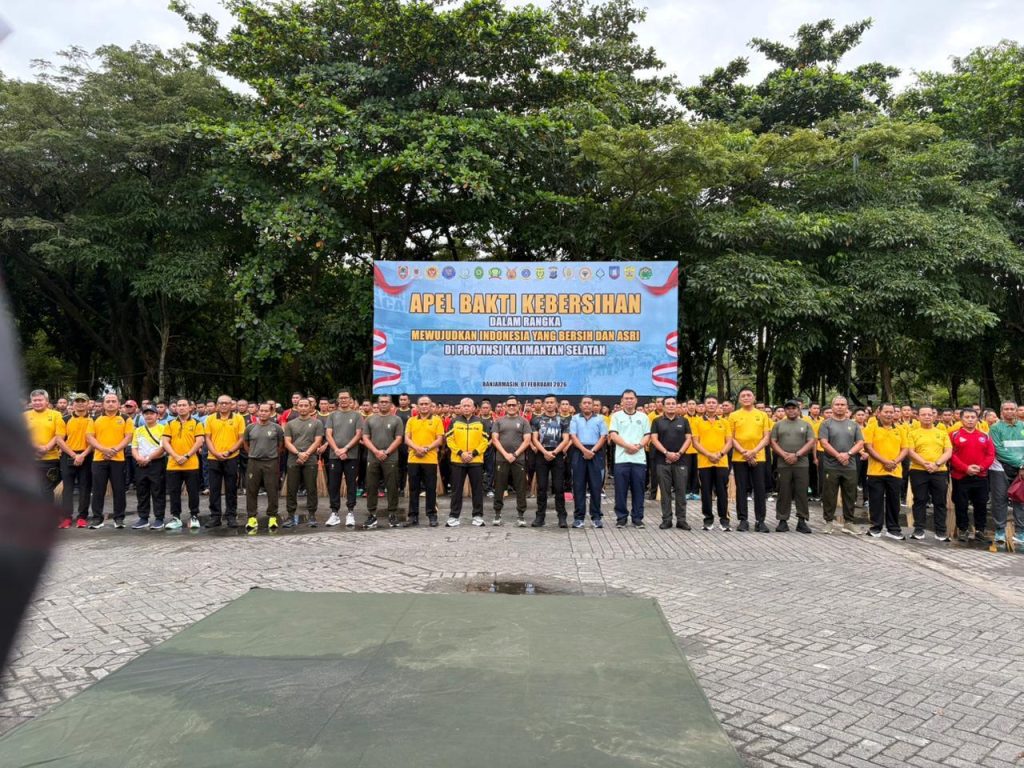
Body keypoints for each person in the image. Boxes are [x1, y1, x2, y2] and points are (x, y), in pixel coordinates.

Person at [85, 393, 133, 529]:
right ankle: (97, 518)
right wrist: (104, 450)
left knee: (119, 490)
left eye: (113, 401)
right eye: (108, 401)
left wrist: (114, 450)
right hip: (99, 459)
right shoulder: (94, 419)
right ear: (103, 404)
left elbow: (128, 437)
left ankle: (119, 518)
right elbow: (89, 437)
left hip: (118, 459)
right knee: (98, 490)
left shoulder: (125, 418)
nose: (111, 404)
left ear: (118, 404)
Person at [818, 396, 865, 534]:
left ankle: (849, 522)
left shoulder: (853, 424)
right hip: (831, 465)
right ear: (832, 407)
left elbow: (860, 443)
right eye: (837, 404)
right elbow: (824, 443)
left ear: (847, 407)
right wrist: (838, 455)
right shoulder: (826, 424)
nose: (840, 407)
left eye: (842, 404)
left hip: (849, 465)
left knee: (850, 494)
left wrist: (848, 454)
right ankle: (828, 522)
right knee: (829, 494)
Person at [728, 388, 772, 532]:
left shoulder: (762, 415)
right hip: (739, 457)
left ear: (754, 398)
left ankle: (760, 520)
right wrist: (744, 452)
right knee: (741, 489)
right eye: (743, 396)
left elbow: (766, 437)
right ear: (739, 399)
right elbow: (731, 437)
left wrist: (753, 452)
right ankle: (743, 520)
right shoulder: (733, 415)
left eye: (749, 395)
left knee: (759, 489)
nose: (746, 398)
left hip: (759, 456)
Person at [906, 406, 952, 541]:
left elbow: (948, 451)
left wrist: (937, 464)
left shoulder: (942, 433)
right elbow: (910, 451)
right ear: (918, 417)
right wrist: (925, 463)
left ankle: (941, 531)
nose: (927, 417)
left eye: (930, 414)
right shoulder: (912, 433)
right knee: (919, 500)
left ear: (935, 416)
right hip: (918, 470)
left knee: (940, 501)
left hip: (939, 471)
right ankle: (919, 529)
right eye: (923, 414)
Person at [863, 403, 908, 539]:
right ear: (879, 413)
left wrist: (894, 462)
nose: (889, 414)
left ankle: (893, 529)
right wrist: (884, 461)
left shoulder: (900, 429)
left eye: (891, 412)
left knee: (894, 501)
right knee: (876, 500)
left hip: (895, 471)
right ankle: (875, 527)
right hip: (876, 471)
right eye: (886, 412)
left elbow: (905, 449)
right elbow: (868, 447)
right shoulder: (871, 427)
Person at [950, 408, 995, 543]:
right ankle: (963, 529)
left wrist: (981, 467)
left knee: (981, 504)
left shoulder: (985, 436)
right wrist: (965, 468)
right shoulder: (953, 435)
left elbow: (990, 455)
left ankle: (980, 530)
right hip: (960, 476)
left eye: (973, 417)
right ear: (961, 419)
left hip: (981, 476)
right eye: (967, 417)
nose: (970, 420)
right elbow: (950, 454)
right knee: (961, 504)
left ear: (977, 419)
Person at [769, 399, 815, 533]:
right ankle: (782, 520)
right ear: (785, 411)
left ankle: (802, 520)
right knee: (784, 491)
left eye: (794, 408)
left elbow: (811, 441)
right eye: (788, 408)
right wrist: (784, 454)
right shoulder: (778, 425)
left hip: (802, 463)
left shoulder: (806, 425)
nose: (791, 411)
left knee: (802, 492)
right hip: (783, 463)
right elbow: (773, 441)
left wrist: (797, 454)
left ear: (799, 410)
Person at [161, 398, 206, 531]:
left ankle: (194, 516)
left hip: (191, 464)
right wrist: (175, 456)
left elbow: (199, 442)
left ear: (190, 407)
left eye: (184, 405)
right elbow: (165, 442)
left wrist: (186, 456)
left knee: (193, 492)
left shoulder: (197, 423)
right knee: (174, 492)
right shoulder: (170, 423)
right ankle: (176, 517)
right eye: (179, 405)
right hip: (173, 464)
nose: (181, 407)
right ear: (175, 408)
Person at [608, 389, 651, 528]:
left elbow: (647, 435)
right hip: (622, 459)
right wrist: (627, 446)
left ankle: (637, 518)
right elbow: (613, 435)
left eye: (631, 398)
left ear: (636, 400)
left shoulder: (643, 417)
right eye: (626, 398)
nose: (629, 401)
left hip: (639, 459)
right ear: (622, 401)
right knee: (620, 491)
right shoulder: (616, 416)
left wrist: (638, 446)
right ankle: (621, 518)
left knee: (638, 490)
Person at [445, 397, 490, 527]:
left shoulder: (481, 422)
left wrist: (474, 453)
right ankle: (454, 516)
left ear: (474, 408)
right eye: (463, 406)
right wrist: (461, 453)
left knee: (477, 490)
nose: (466, 408)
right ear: (460, 407)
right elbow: (449, 440)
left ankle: (477, 516)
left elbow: (485, 441)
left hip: (476, 461)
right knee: (456, 490)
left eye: (468, 405)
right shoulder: (454, 421)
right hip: (458, 461)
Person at [361, 395, 404, 528]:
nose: (384, 404)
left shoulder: (397, 419)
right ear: (377, 404)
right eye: (381, 402)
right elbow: (365, 438)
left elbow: (399, 439)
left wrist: (386, 452)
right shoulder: (369, 419)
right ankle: (372, 514)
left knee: (392, 486)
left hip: (391, 458)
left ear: (391, 404)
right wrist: (376, 452)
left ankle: (392, 514)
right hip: (373, 457)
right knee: (371, 486)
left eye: (386, 402)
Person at [204, 394, 245, 529]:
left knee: (231, 489)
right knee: (214, 489)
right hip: (213, 458)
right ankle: (215, 516)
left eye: (226, 403)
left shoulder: (238, 418)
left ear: (231, 405)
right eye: (221, 403)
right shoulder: (210, 419)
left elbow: (241, 438)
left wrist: (229, 451)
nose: (223, 405)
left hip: (231, 457)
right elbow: (207, 438)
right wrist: (215, 453)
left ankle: (231, 516)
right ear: (217, 405)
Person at [243, 402, 285, 534]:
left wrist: (272, 455)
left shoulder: (277, 428)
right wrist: (253, 453)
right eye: (261, 410)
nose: (263, 413)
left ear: (271, 412)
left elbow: (281, 445)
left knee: (272, 490)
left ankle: (272, 516)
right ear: (257, 411)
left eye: (266, 411)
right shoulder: (250, 427)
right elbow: (245, 443)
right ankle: (251, 517)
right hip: (253, 462)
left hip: (271, 462)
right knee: (251, 490)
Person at [649, 397, 691, 530]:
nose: (671, 406)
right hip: (662, 461)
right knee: (665, 492)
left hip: (681, 460)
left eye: (673, 403)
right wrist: (666, 453)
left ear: (676, 405)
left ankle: (681, 520)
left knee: (681, 491)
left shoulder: (684, 421)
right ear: (663, 406)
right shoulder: (657, 421)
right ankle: (666, 520)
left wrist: (678, 454)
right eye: (668, 404)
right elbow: (654, 439)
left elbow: (688, 439)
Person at [283, 397, 325, 528]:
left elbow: (318, 441)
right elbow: (287, 442)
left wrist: (306, 454)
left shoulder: (317, 423)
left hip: (310, 459)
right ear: (297, 407)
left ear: (311, 407)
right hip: (293, 459)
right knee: (292, 489)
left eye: (306, 405)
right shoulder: (290, 424)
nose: (303, 408)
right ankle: (290, 516)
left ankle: (312, 515)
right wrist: (298, 453)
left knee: (311, 488)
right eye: (300, 405)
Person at [491, 396, 533, 527]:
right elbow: (495, 439)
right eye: (508, 405)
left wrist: (514, 455)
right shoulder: (498, 421)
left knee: (520, 488)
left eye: (513, 405)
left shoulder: (524, 421)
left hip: (518, 459)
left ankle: (521, 515)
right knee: (499, 487)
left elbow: (527, 440)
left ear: (518, 406)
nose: (511, 407)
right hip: (501, 459)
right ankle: (497, 514)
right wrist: (505, 454)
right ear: (505, 407)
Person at [324, 390, 363, 528]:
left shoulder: (357, 415)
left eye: (346, 398)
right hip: (334, 455)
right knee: (333, 484)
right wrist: (337, 450)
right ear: (338, 400)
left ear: (350, 399)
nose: (343, 400)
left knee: (351, 484)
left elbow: (358, 435)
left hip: (351, 455)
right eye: (341, 398)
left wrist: (345, 449)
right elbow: (328, 434)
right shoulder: (332, 415)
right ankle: (334, 513)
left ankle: (350, 512)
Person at [692, 397, 732, 531]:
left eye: (713, 402)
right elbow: (695, 443)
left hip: (721, 462)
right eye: (708, 402)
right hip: (704, 463)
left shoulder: (725, 422)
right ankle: (708, 520)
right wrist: (709, 455)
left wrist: (720, 454)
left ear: (718, 405)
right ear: (704, 405)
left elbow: (729, 442)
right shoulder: (697, 421)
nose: (711, 405)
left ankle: (724, 520)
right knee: (706, 492)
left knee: (722, 491)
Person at [531, 395, 571, 527]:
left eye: (551, 402)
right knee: (542, 487)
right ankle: (540, 517)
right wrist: (545, 452)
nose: (549, 404)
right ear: (543, 404)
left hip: (557, 455)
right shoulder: (536, 420)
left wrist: (554, 453)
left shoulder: (563, 420)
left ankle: (562, 517)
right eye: (547, 402)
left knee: (559, 487)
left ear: (556, 404)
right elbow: (535, 439)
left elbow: (566, 439)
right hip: (541, 454)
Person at [404, 395, 444, 527]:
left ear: (431, 405)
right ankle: (413, 516)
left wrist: (426, 449)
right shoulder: (411, 420)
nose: (424, 406)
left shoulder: (437, 420)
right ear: (417, 406)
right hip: (413, 459)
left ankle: (432, 515)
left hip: (430, 459)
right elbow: (407, 439)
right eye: (421, 404)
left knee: (431, 489)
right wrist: (417, 448)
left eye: (427, 404)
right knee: (413, 489)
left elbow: (439, 439)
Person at [988, 401, 1024, 546]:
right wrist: (1020, 463)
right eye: (1006, 409)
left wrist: (1022, 465)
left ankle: (1020, 532)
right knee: (999, 500)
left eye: (1012, 409)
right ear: (1001, 411)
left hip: (1022, 469)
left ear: (1016, 411)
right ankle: (1000, 531)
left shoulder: (1023, 426)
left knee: (1020, 500)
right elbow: (998, 449)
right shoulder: (995, 428)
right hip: (1000, 468)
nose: (1009, 411)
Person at [569, 396, 608, 528]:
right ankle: (579, 518)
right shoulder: (575, 418)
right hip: (579, 452)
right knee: (578, 486)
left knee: (596, 487)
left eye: (589, 403)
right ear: (580, 405)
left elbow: (603, 436)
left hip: (595, 453)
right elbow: (573, 436)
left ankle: (596, 517)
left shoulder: (600, 418)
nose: (587, 405)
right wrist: (584, 450)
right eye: (584, 403)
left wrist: (592, 451)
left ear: (593, 405)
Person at [56, 393, 92, 527]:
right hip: (68, 455)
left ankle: (82, 516)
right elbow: (59, 440)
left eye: (83, 401)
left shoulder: (94, 420)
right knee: (67, 488)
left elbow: (95, 440)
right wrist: (74, 455)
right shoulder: (64, 419)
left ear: (88, 403)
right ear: (73, 404)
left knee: (85, 487)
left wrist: (83, 455)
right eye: (77, 401)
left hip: (87, 455)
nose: (80, 403)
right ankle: (66, 517)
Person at [25, 389, 66, 504]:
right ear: (31, 402)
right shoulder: (24, 416)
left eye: (40, 400)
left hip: (51, 459)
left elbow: (60, 435)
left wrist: (47, 448)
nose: (37, 402)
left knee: (46, 489)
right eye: (35, 400)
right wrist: (36, 448)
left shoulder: (56, 415)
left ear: (47, 401)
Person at [130, 404, 166, 530]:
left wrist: (148, 458)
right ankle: (143, 518)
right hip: (140, 464)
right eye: (146, 414)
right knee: (142, 492)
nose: (149, 416)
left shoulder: (163, 428)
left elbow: (162, 448)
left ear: (157, 415)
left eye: (151, 413)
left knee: (158, 491)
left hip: (156, 463)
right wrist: (138, 458)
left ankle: (159, 518)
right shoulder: (138, 430)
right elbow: (134, 447)